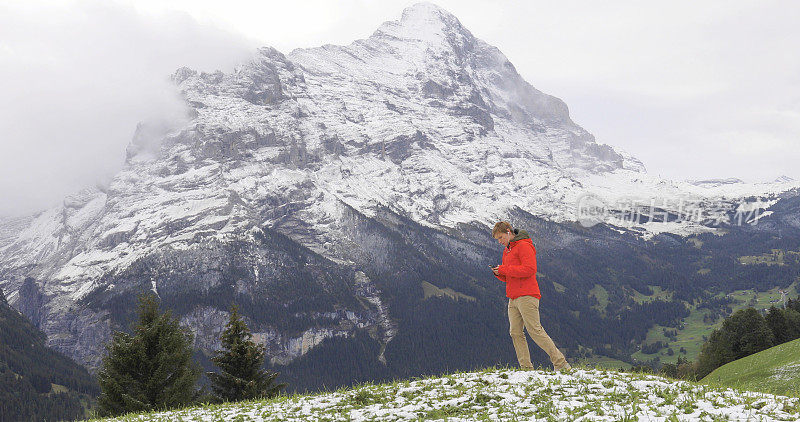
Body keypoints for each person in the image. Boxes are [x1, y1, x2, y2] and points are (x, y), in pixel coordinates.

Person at [491, 221, 571, 372]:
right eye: (497, 239)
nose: (500, 241)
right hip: (513, 297)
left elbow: (530, 269)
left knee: (534, 330)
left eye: (501, 237)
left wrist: (505, 269)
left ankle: (561, 363)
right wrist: (499, 273)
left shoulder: (524, 245)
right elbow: (510, 275)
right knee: (515, 332)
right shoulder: (507, 251)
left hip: (527, 295)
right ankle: (526, 369)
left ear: (509, 232)